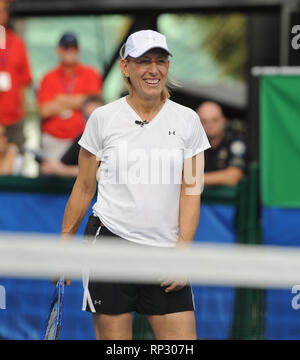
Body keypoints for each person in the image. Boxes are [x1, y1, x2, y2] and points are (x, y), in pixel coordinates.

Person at [60, 29, 210, 340]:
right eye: (143, 61)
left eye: (160, 61)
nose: (153, 70)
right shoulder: (102, 119)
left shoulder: (188, 121)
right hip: (109, 246)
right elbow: (84, 188)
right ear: (126, 67)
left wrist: (182, 255)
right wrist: (64, 249)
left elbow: (191, 191)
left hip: (166, 254)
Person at [37, 32, 103, 161]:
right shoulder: (48, 77)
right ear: (58, 50)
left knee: (84, 176)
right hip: (54, 140)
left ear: (79, 50)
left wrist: (60, 100)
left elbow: (93, 105)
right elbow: (44, 111)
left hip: (83, 139)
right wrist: (78, 101)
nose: (70, 51)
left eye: (74, 47)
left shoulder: (91, 73)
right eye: (66, 47)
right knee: (54, 175)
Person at [40, 95, 104, 177]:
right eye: (88, 117)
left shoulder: (112, 139)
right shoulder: (82, 140)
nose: (92, 121)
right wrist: (54, 167)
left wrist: (63, 170)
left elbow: (102, 172)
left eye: (96, 117)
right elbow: (63, 163)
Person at [0, 0, 32, 152]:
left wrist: (22, 113)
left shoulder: (17, 43)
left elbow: (25, 82)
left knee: (15, 165)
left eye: (4, 10)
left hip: (13, 119)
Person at [197, 101, 247, 187]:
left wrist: (192, 180)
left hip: (231, 199)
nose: (210, 125)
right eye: (204, 121)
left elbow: (233, 177)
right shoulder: (194, 145)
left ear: (223, 121)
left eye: (215, 120)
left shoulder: (236, 142)